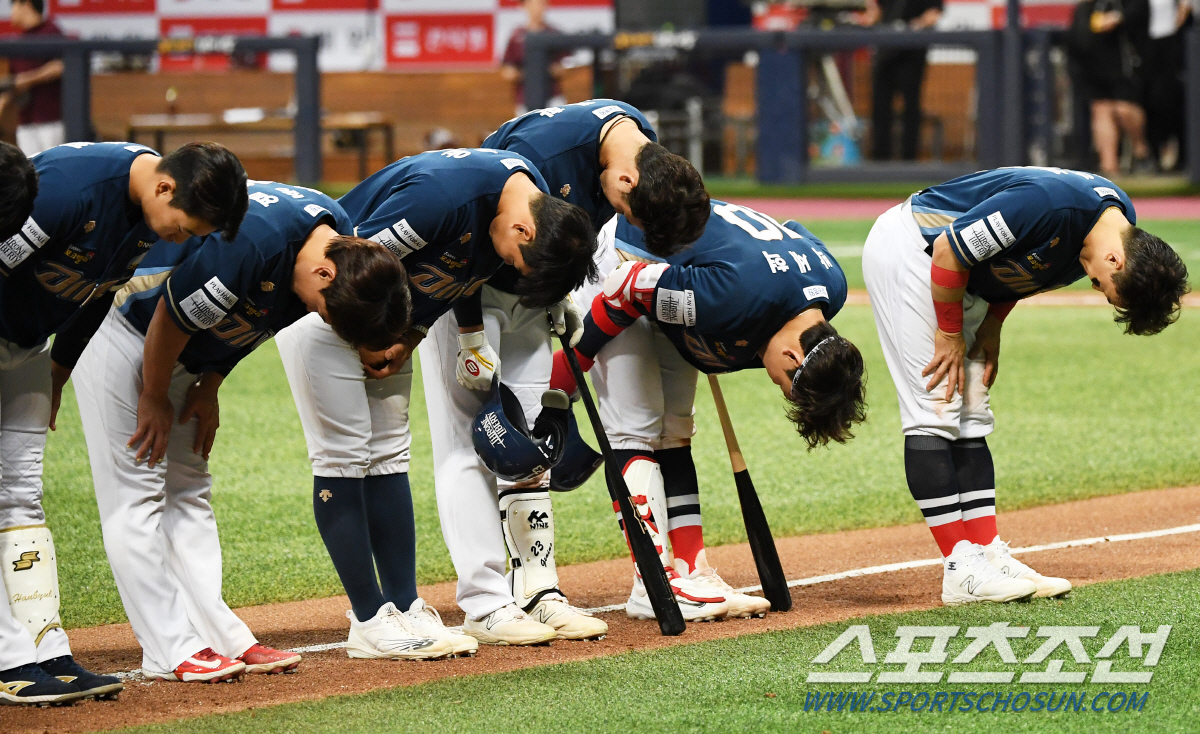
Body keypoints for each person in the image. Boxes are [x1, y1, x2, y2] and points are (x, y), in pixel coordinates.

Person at [72, 181, 409, 682]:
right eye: (324, 308)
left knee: (188, 489)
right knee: (137, 492)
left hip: (182, 347)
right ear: (324, 272)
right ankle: (168, 648)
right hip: (123, 329)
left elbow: (258, 320)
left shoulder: (337, 242)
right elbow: (169, 315)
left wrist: (209, 384)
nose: (319, 313)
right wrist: (153, 395)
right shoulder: (251, 243)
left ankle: (218, 635)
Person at [275, 148, 596, 653]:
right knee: (343, 458)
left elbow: (458, 275)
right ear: (524, 232)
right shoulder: (441, 199)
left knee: (388, 454)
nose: (514, 272)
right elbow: (346, 266)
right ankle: (369, 620)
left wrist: (413, 333)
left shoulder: (520, 199)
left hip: (385, 325)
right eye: (520, 264)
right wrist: (367, 336)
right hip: (330, 317)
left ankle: (403, 608)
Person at [415, 99, 709, 644]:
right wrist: (472, 330)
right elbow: (472, 230)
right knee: (467, 446)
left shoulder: (638, 136)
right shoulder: (538, 154)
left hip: (532, 291)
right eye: (629, 207)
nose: (625, 217)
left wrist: (559, 293)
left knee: (527, 449)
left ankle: (538, 589)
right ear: (624, 177)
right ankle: (484, 603)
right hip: (469, 293)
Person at [861, 167, 1189, 606]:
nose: (1097, 289)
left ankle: (987, 553)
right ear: (1118, 261)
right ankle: (960, 567)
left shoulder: (1117, 224)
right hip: (915, 254)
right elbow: (948, 251)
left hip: (964, 276)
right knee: (936, 403)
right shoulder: (1048, 206)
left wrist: (993, 324)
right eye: (1103, 287)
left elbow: (1029, 265)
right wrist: (951, 331)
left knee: (973, 410)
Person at [0, 140, 246, 703]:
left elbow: (93, 297)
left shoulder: (146, 213)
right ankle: (6, 655)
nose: (180, 240)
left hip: (29, 349)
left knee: (20, 497)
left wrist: (57, 373)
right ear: (164, 187)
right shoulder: (67, 192)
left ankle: (46, 650)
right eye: (184, 227)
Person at [549, 202, 867, 621]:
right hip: (624, 260)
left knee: (676, 427)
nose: (779, 387)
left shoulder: (832, 288)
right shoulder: (732, 298)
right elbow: (625, 288)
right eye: (787, 386)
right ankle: (653, 583)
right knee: (633, 428)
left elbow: (794, 231)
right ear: (792, 354)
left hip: (692, 277)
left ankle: (691, 572)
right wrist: (568, 373)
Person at [1069, 0, 1153, 174]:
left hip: (1124, 68)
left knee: (1124, 109)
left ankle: (1141, 152)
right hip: (1094, 68)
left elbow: (1137, 17)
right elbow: (1078, 36)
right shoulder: (1085, 8)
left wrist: (1116, 18)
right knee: (1101, 110)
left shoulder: (1126, 4)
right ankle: (1110, 168)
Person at [859, 0, 944, 161]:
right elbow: (875, 9)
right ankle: (880, 158)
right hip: (885, 52)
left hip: (912, 54)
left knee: (911, 108)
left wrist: (917, 25)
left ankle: (909, 158)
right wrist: (869, 20)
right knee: (880, 107)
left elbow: (934, 12)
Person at [1, 0, 65, 156]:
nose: (12, 14)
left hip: (51, 119)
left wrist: (27, 79)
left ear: (26, 5)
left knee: (54, 166)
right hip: (25, 119)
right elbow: (13, 82)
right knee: (30, 169)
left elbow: (59, 67)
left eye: (14, 7)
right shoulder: (19, 41)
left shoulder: (51, 31)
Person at [499, 0, 569, 115]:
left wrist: (552, 70)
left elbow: (566, 65)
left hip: (552, 97)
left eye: (541, 3)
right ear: (524, 6)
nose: (537, 8)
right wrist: (524, 73)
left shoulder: (554, 34)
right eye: (533, 4)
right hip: (525, 97)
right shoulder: (517, 36)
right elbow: (507, 68)